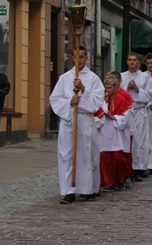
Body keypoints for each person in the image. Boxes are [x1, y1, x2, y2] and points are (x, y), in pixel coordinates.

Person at [49, 45, 104, 204]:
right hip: (69, 120)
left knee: (86, 155)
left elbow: (97, 101)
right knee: (67, 155)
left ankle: (87, 188)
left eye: (82, 57)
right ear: (72, 58)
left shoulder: (93, 78)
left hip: (85, 120)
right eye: (76, 57)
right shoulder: (65, 78)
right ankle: (69, 190)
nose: (78, 60)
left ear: (86, 58)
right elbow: (55, 99)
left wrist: (83, 90)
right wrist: (69, 102)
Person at [98, 73, 133, 191]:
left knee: (117, 159)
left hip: (117, 131)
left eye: (110, 88)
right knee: (105, 160)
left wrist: (114, 117)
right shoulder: (101, 99)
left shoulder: (121, 99)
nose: (107, 90)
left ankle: (120, 180)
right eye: (106, 88)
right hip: (104, 131)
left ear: (115, 87)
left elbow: (126, 117)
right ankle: (108, 182)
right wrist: (104, 102)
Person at [121, 52, 152, 181]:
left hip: (139, 111)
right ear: (127, 62)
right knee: (126, 139)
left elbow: (151, 94)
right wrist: (126, 88)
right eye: (129, 60)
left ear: (139, 63)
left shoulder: (145, 77)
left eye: (134, 60)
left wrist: (138, 89)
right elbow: (117, 91)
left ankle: (138, 168)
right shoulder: (122, 76)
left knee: (139, 140)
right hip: (126, 112)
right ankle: (126, 168)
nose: (132, 62)